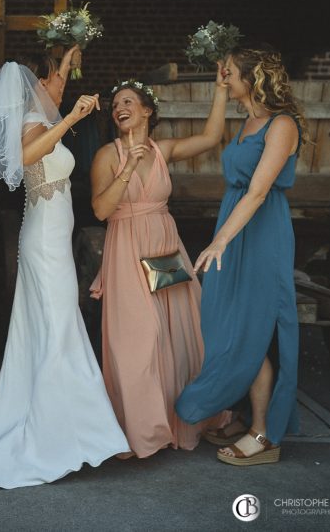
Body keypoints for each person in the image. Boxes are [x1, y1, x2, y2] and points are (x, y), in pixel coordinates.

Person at [0, 60, 129, 488]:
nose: (61, 86)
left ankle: (79, 431)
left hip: (52, 240)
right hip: (44, 243)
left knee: (56, 328)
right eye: (54, 80)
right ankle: (65, 438)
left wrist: (71, 54)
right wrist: (70, 118)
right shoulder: (33, 120)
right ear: (36, 87)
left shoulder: (44, 118)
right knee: (60, 327)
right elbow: (26, 156)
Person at [176, 46, 307, 466]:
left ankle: (264, 434)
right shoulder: (248, 121)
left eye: (229, 73)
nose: (225, 78)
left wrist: (220, 242)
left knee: (252, 328)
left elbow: (258, 191)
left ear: (252, 78)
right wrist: (224, 237)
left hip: (260, 231)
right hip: (234, 226)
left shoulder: (281, 124)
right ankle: (245, 412)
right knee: (224, 319)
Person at [89, 71, 230, 459]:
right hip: (126, 252)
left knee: (179, 336)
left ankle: (177, 422)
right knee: (138, 340)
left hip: (165, 248)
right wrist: (128, 168)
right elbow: (101, 209)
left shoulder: (163, 150)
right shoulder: (107, 155)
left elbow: (210, 138)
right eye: (116, 105)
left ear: (148, 111)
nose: (120, 108)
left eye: (128, 102)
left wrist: (220, 91)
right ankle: (139, 432)